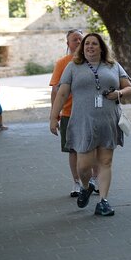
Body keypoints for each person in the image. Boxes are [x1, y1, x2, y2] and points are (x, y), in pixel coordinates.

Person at [49, 33, 131, 217]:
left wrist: (119, 93)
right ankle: (86, 187)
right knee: (83, 166)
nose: (90, 47)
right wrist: (53, 117)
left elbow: (130, 88)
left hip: (108, 121)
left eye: (94, 44)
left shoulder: (113, 66)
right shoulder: (73, 66)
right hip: (82, 122)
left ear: (101, 47)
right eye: (87, 44)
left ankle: (103, 201)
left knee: (106, 161)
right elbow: (62, 93)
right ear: (82, 47)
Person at [50, 29, 99, 197]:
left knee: (94, 147)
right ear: (68, 43)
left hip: (91, 113)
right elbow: (56, 90)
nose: (78, 43)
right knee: (73, 150)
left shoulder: (94, 61)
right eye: (74, 40)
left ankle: (95, 180)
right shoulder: (63, 63)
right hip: (69, 113)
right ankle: (77, 182)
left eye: (81, 39)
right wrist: (54, 115)